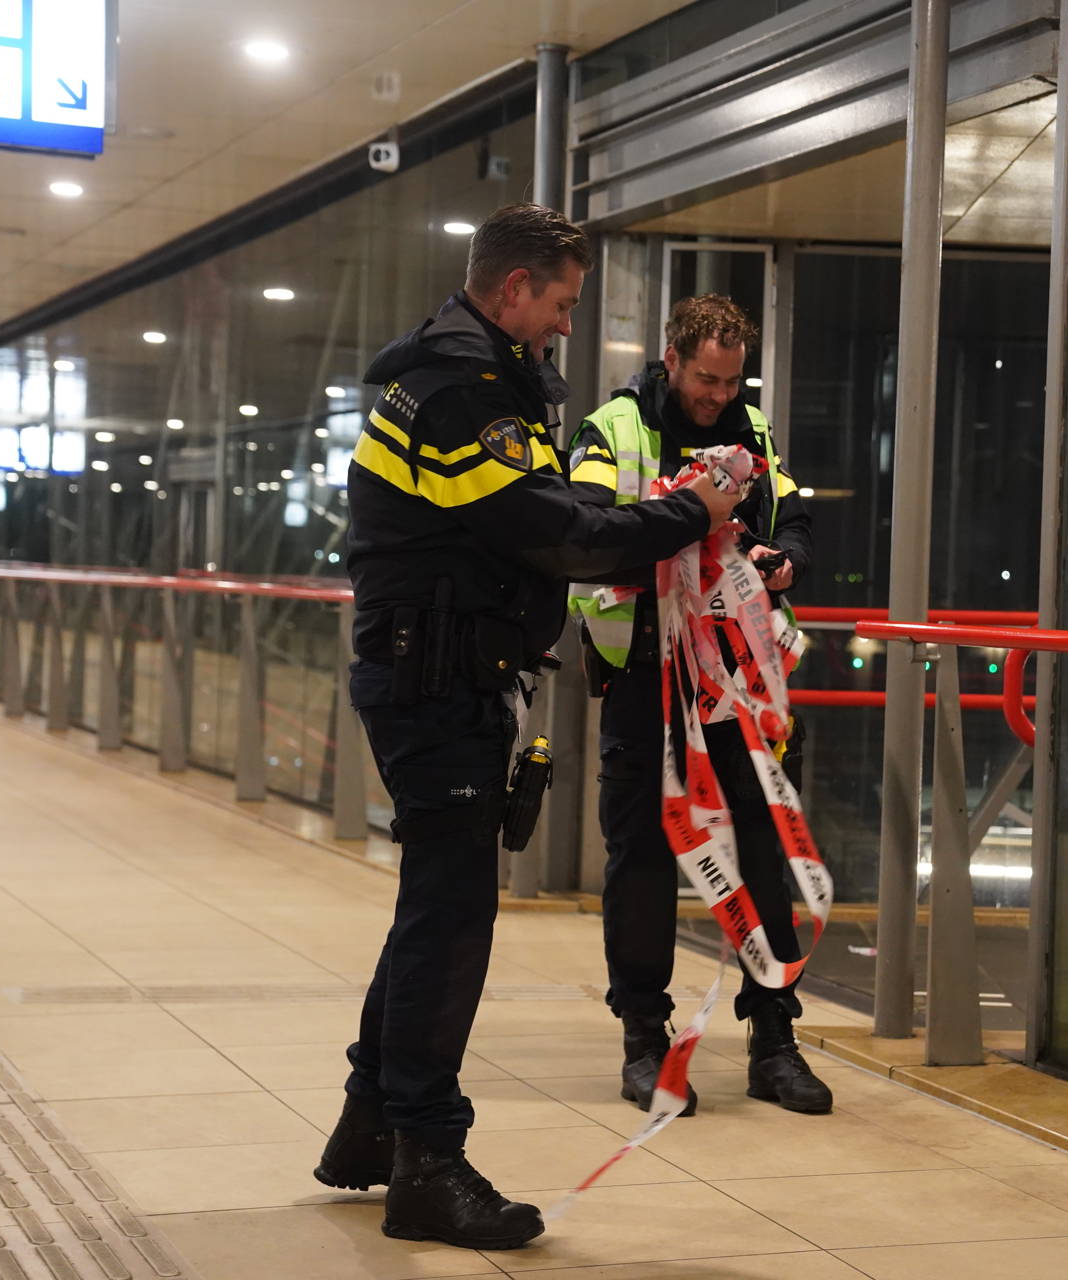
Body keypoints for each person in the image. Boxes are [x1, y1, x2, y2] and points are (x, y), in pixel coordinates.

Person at [313, 205, 740, 1251]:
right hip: (436, 683)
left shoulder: (467, 370)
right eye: (559, 303)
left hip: (441, 672)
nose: (563, 324)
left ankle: (373, 1126)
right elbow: (559, 534)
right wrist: (694, 512)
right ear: (513, 290)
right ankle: (428, 1160)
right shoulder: (465, 390)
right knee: (450, 921)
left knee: (435, 906)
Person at [567, 294, 831, 1118]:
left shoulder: (752, 429)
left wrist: (783, 557)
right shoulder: (615, 428)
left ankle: (774, 1039)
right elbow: (584, 532)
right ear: (673, 358)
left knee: (761, 849)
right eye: (707, 380)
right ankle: (645, 1039)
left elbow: (794, 515)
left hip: (738, 679)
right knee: (641, 860)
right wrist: (687, 521)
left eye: (732, 382)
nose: (719, 396)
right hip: (646, 674)